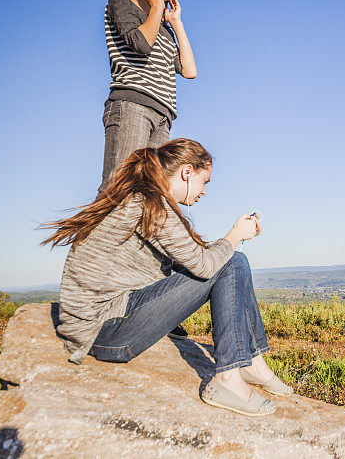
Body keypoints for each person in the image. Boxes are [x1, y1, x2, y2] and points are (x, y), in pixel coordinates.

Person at [42, 139, 292, 416]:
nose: (205, 192)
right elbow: (204, 266)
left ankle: (251, 362)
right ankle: (228, 379)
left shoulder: (142, 199)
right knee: (232, 261)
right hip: (105, 332)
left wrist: (229, 242)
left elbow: (191, 257)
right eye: (204, 181)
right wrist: (234, 235)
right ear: (187, 172)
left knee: (233, 260)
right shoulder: (151, 205)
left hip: (106, 322)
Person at [101, 0, 197, 339]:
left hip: (162, 116)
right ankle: (101, 298)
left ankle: (152, 305)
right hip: (131, 106)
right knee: (117, 195)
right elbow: (138, 46)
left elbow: (189, 71)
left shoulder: (164, 23)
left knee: (157, 203)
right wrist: (156, 4)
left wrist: (176, 21)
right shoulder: (121, 4)